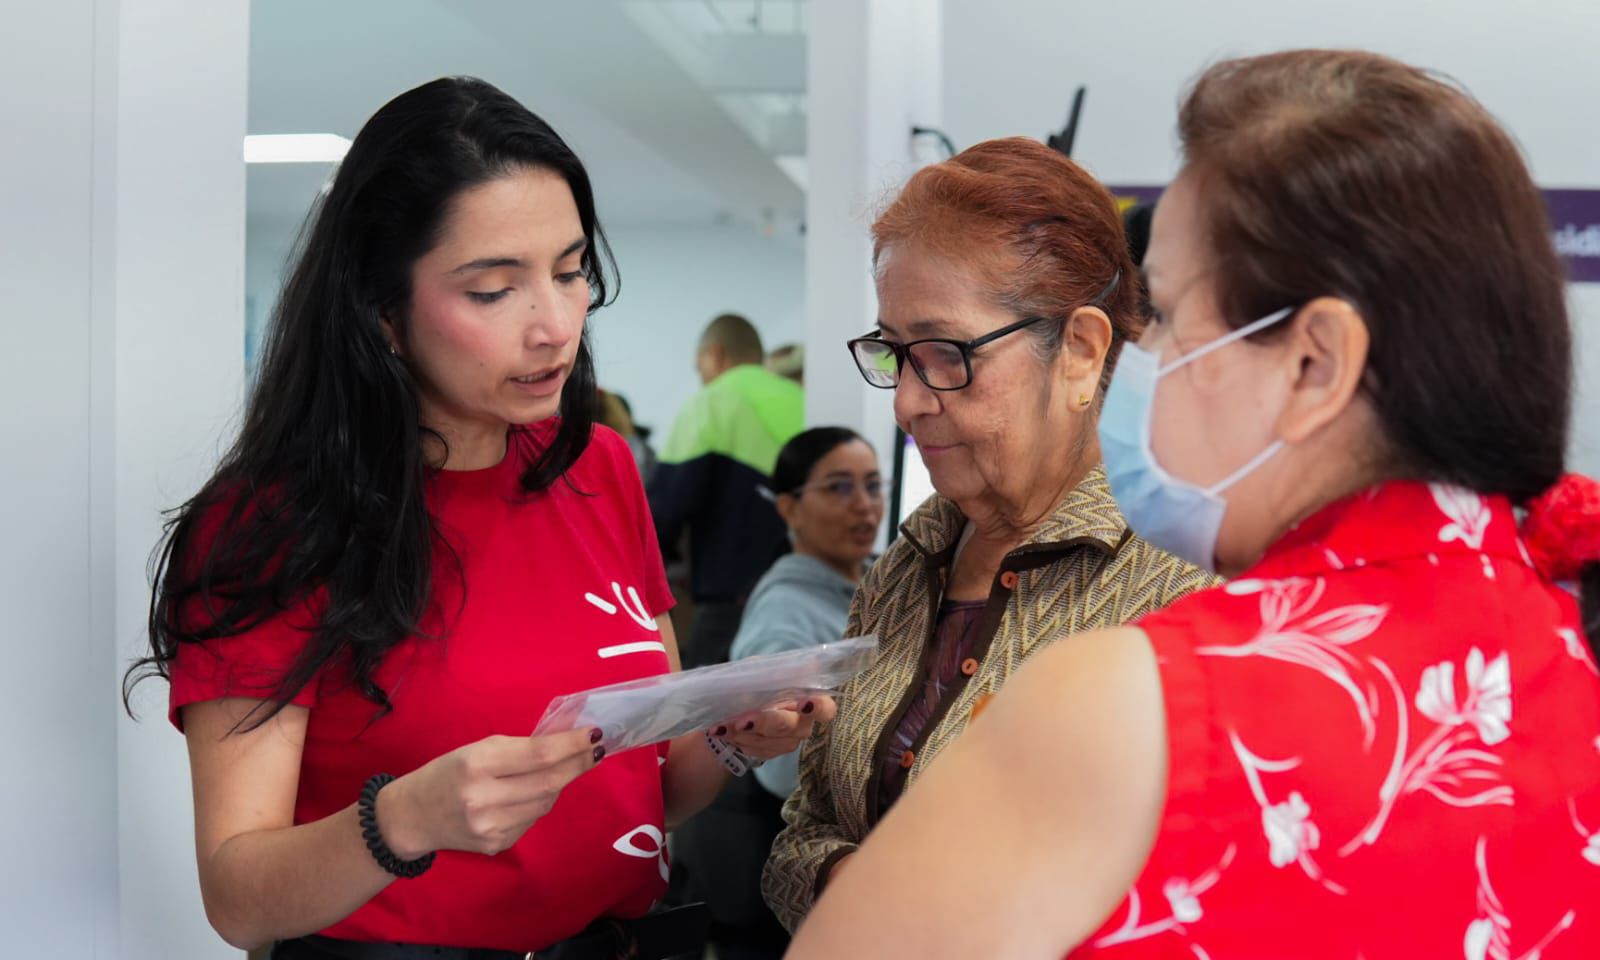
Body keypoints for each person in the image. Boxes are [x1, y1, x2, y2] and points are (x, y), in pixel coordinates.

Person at [786, 50, 1600, 958]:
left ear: (1313, 364)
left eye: (1168, 314)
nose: (1148, 359)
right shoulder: (1564, 649)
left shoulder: (1133, 691)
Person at [120, 77, 832, 960]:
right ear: (382, 313)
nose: (555, 325)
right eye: (494, 290)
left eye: (572, 272)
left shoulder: (598, 468)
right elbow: (238, 896)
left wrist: (731, 738)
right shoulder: (272, 524)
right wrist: (406, 820)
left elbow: (637, 796)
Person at [761, 137, 1217, 932]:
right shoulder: (908, 565)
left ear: (1079, 352)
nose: (905, 402)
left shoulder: (1180, 589)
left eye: (943, 354)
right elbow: (799, 834)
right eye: (895, 354)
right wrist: (854, 887)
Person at [674, 428, 883, 958]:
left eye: (873, 485)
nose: (864, 506)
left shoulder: (877, 587)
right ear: (788, 507)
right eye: (839, 488)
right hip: (773, 882)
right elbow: (778, 768)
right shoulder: (785, 613)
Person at [649, 313, 805, 669]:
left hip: (734, 593)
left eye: (699, 366)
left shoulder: (713, 400)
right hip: (799, 586)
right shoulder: (798, 396)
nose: (701, 376)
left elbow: (665, 508)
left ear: (716, 354)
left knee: (698, 712)